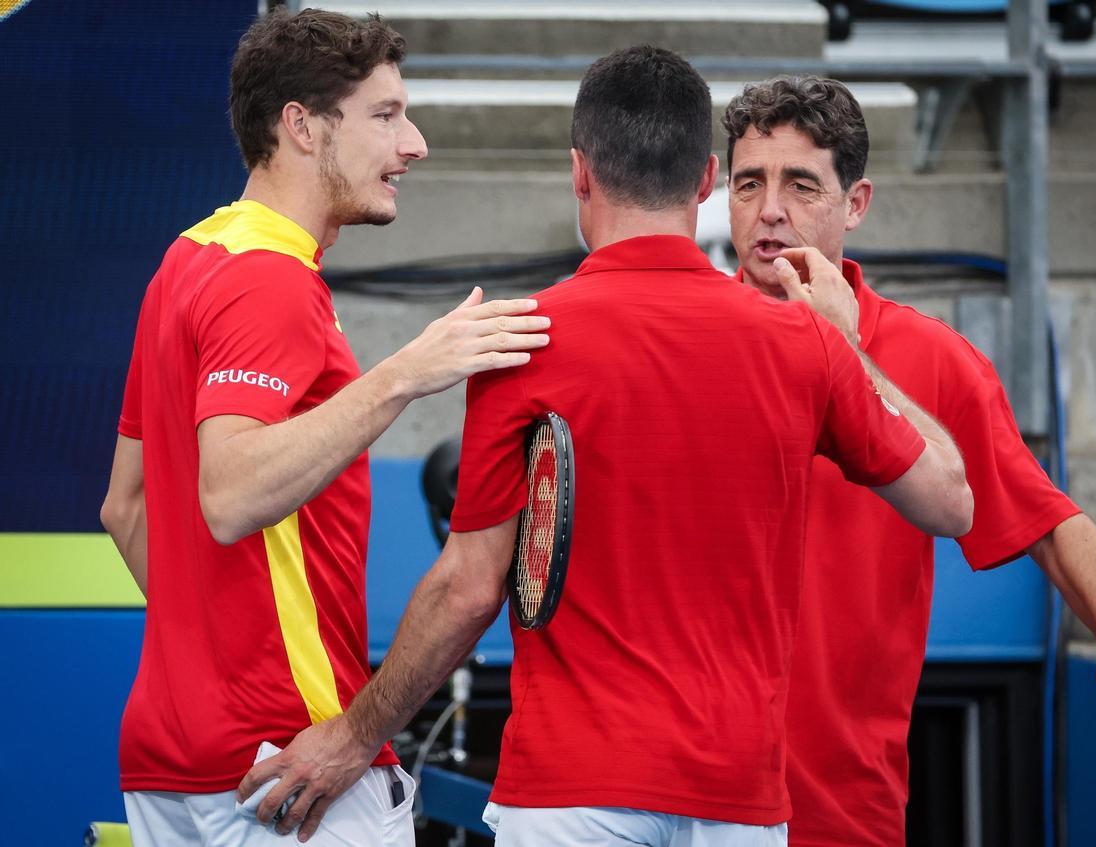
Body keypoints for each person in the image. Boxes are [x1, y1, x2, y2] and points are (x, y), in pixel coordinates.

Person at [238, 46, 973, 846]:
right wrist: (848, 344)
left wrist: (353, 735)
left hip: (569, 792)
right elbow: (950, 498)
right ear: (706, 182)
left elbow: (468, 588)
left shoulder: (523, 339)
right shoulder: (805, 345)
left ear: (580, 175)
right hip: (738, 795)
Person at [98, 9, 551, 846]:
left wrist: (211, 667)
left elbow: (123, 508)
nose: (412, 144)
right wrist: (409, 371)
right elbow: (230, 494)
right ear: (301, 128)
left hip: (176, 756)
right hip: (285, 768)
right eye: (385, 116)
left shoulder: (187, 260)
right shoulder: (272, 282)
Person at [721, 74, 1096, 846]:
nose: (770, 209)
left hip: (844, 811)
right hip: (684, 804)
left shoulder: (933, 359)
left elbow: (1055, 523)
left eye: (801, 184)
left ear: (856, 204)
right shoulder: (688, 339)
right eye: (748, 182)